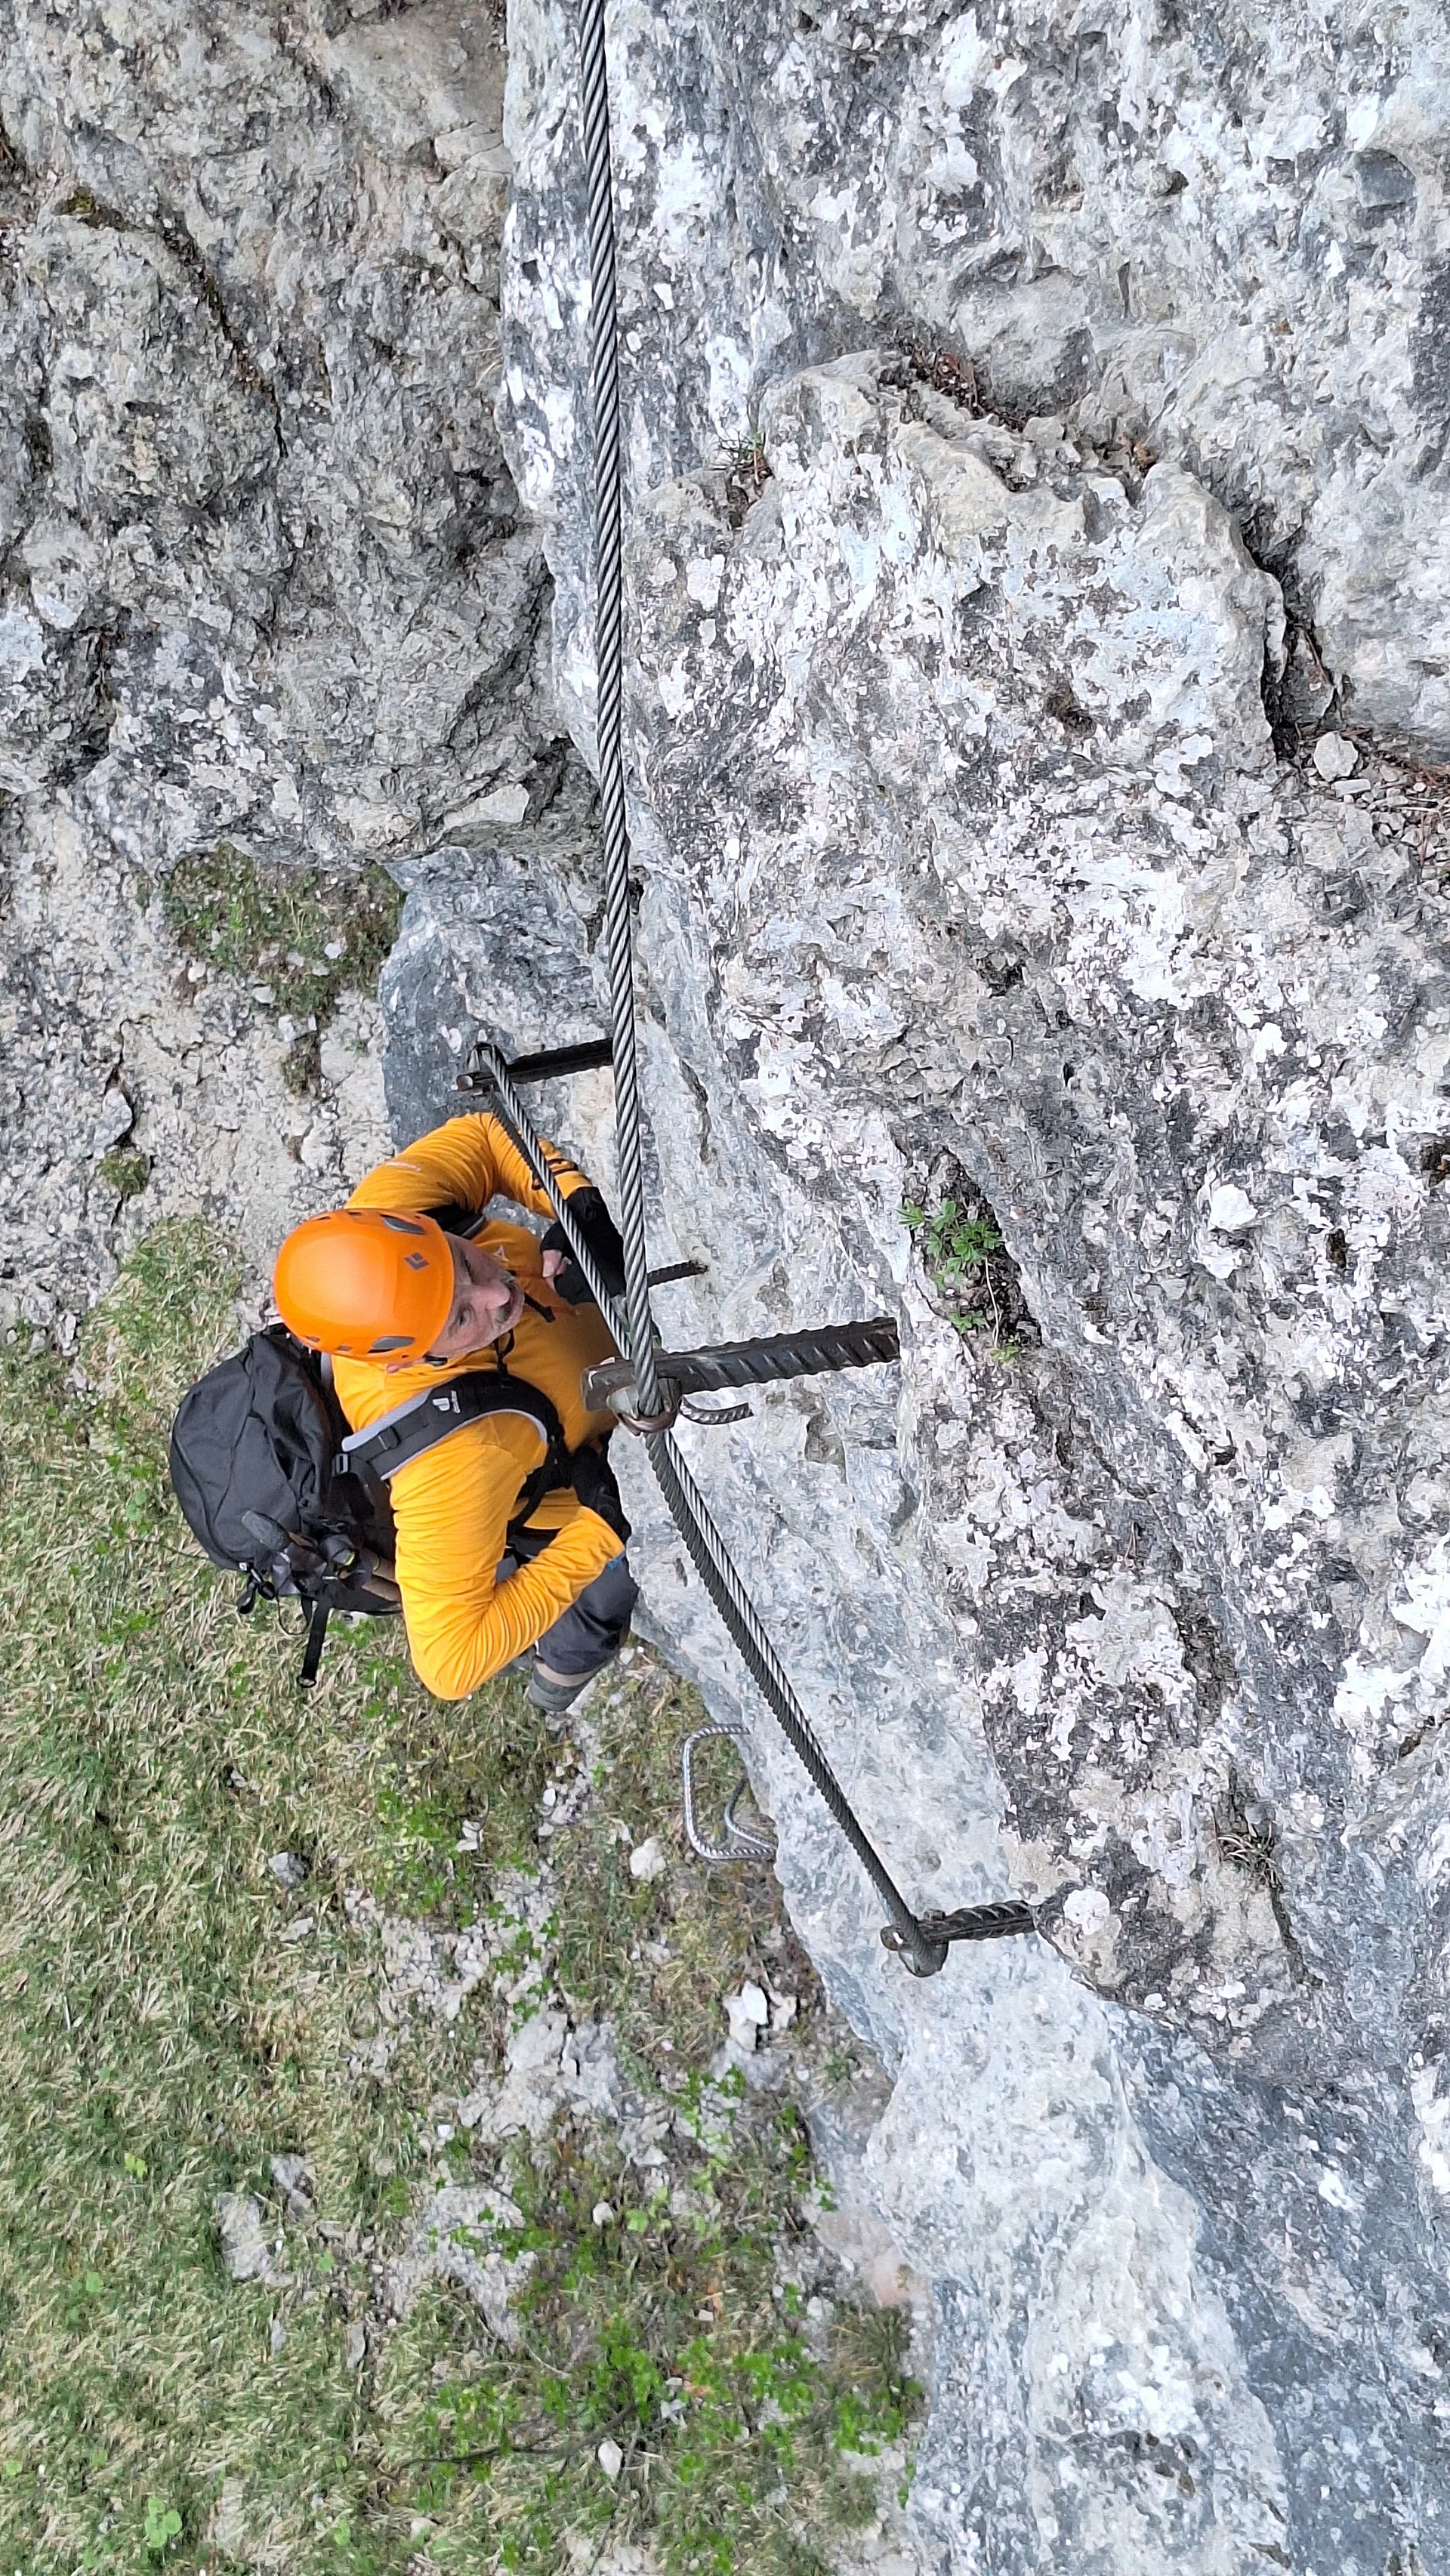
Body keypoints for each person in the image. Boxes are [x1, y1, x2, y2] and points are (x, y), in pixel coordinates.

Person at [270, 1111, 637, 1709]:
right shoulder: (454, 1462)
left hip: (591, 1345)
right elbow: (449, 1662)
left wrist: (572, 1205)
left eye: (465, 1264)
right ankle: (564, 1666)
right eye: (462, 1319)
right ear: (403, 1363)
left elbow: (488, 1138)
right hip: (570, 1480)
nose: (497, 1293)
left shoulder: (393, 1218)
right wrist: (599, 1528)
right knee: (610, 1583)